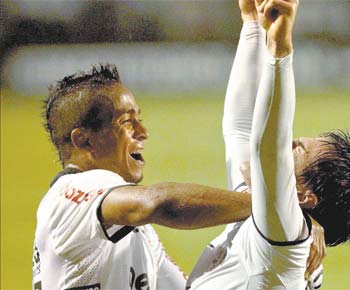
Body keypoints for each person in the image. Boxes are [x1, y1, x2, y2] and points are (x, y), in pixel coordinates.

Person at [187, 0, 350, 289]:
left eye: (297, 150)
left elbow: (268, 148)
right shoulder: (267, 215)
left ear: (304, 196)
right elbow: (240, 131)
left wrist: (280, 51)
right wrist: (252, 24)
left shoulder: (282, 238)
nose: (290, 143)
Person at [32, 64, 255, 289]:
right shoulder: (68, 197)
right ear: (84, 140)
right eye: (127, 121)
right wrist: (267, 203)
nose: (143, 132)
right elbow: (157, 203)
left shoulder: (138, 232)